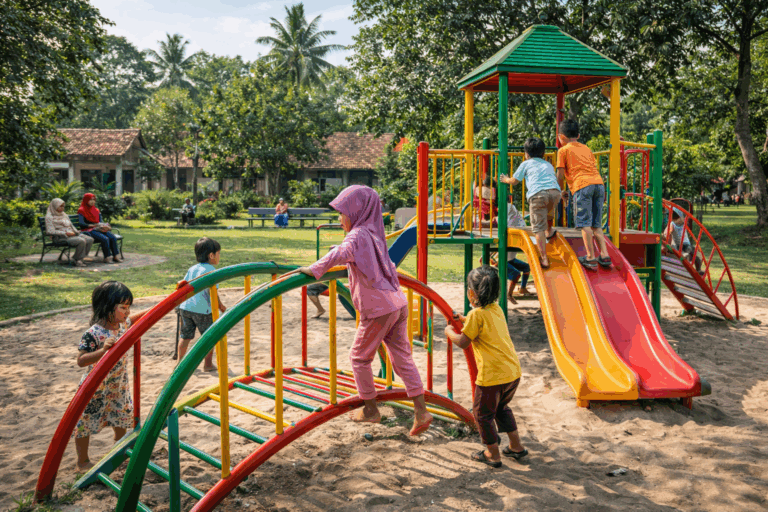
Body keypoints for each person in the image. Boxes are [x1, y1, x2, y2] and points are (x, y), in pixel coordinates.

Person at [297, 185, 433, 435]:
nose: (339, 220)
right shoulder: (374, 232)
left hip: (379, 308)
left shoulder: (358, 235)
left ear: (356, 211)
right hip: (397, 302)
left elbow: (341, 252)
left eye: (342, 213)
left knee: (359, 358)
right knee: (402, 358)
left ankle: (370, 410)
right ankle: (421, 411)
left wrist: (314, 269)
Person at [444, 266, 526, 468]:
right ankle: (516, 447)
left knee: (482, 414)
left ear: (471, 293)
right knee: (501, 408)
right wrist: (463, 319)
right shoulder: (496, 310)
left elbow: (463, 341)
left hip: (492, 376)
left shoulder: (476, 316)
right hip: (512, 372)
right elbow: (481, 326)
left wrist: (448, 331)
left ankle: (492, 453)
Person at [73, 281, 150, 471]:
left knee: (121, 418)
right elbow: (81, 360)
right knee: (85, 422)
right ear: (106, 307)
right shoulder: (93, 333)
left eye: (129, 307)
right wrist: (102, 352)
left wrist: (162, 306)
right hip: (95, 387)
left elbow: (140, 318)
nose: (128, 312)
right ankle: (82, 461)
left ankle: (119, 451)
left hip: (118, 384)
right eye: (123, 307)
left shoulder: (123, 325)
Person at [556, 120, 611, 270]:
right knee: (596, 224)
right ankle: (604, 255)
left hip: (582, 186)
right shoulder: (586, 148)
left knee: (584, 224)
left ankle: (590, 257)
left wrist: (557, 189)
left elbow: (560, 174)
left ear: (561, 136)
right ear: (578, 135)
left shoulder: (563, 150)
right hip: (599, 185)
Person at [500, 137, 561, 269]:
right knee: (549, 214)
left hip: (538, 195)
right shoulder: (548, 164)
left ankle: (544, 258)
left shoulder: (526, 164)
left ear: (526, 154)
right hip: (555, 193)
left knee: (538, 227)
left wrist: (505, 179)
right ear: (543, 153)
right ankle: (549, 231)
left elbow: (515, 180)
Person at [176, 237, 227, 370]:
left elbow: (184, 285)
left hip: (186, 308)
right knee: (208, 338)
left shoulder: (192, 268)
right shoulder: (211, 270)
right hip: (203, 311)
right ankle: (208, 364)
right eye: (219, 253)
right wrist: (220, 306)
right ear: (211, 255)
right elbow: (213, 293)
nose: (219, 256)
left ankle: (180, 364)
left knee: (185, 336)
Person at [45, 198, 93, 267]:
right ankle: (78, 260)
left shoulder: (64, 214)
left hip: (72, 235)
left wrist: (76, 232)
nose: (62, 208)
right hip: (60, 238)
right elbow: (50, 231)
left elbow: (71, 225)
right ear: (55, 206)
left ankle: (78, 258)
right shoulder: (49, 217)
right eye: (60, 206)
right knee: (81, 241)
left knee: (90, 239)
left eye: (63, 206)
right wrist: (64, 233)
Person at [78, 193, 121, 263]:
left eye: (93, 200)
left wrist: (104, 226)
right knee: (105, 238)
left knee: (112, 237)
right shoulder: (81, 210)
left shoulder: (96, 210)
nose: (92, 201)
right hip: (88, 230)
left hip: (98, 229)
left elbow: (101, 221)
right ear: (86, 200)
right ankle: (107, 257)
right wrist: (94, 225)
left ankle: (115, 256)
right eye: (90, 200)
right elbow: (81, 224)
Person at [505, 204, 533, 301]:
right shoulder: (509, 229)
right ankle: (509, 294)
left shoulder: (515, 222)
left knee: (526, 267)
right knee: (516, 274)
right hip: (503, 261)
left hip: (511, 260)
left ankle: (523, 288)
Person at [664, 209, 704, 275]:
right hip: (679, 245)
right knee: (687, 255)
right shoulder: (672, 224)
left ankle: (698, 269)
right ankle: (686, 269)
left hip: (686, 244)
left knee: (696, 254)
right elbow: (669, 233)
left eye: (680, 218)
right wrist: (668, 244)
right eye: (676, 219)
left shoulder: (683, 223)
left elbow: (687, 219)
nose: (679, 220)